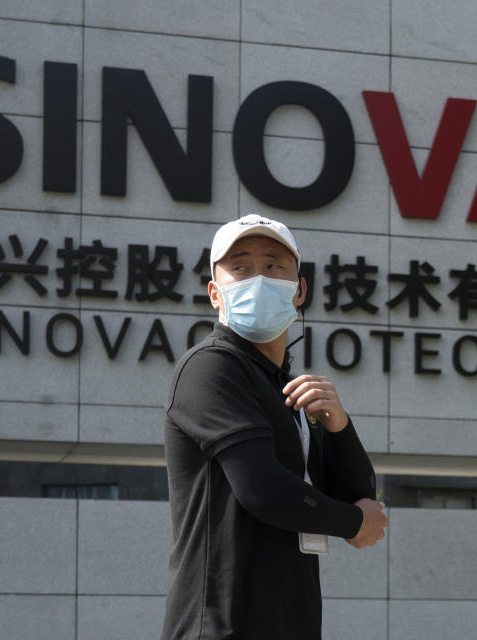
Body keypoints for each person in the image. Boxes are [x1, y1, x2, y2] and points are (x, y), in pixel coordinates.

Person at [161, 214, 388, 640]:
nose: (258, 279)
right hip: (220, 626)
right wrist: (353, 523)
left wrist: (339, 426)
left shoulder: (289, 390)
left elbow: (355, 493)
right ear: (215, 294)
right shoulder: (210, 367)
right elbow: (262, 491)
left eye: (273, 266)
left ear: (300, 290)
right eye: (241, 268)